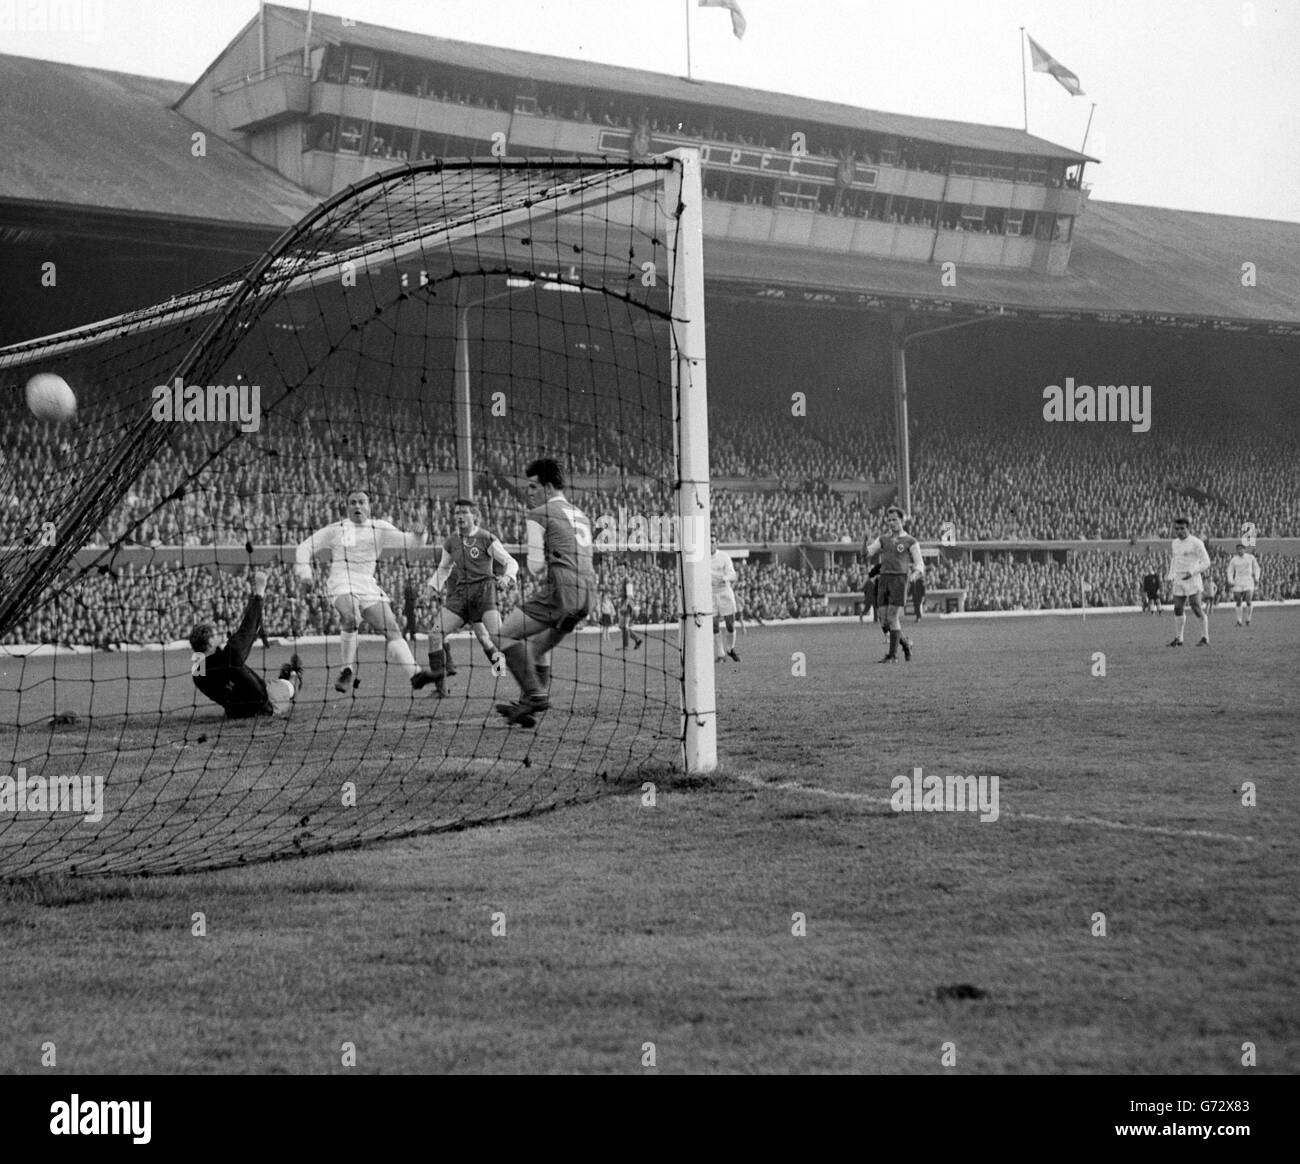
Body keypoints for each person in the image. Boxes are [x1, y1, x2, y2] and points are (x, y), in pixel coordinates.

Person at [295, 489, 432, 692]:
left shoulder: (380, 528)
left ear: (369, 506)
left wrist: (420, 534)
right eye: (352, 503)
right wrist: (305, 572)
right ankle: (346, 671)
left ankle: (415, 675)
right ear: (347, 507)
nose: (357, 506)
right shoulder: (336, 529)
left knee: (392, 627)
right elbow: (304, 547)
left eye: (361, 502)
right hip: (341, 582)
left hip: (367, 584)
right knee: (351, 616)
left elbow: (410, 543)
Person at [496, 458, 598, 727]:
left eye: (533, 486)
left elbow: (536, 566)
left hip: (563, 590)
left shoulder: (538, 514)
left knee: (505, 634)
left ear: (549, 487)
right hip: (588, 594)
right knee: (537, 648)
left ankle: (536, 695)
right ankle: (528, 706)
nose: (528, 492)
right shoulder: (581, 514)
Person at [422, 498, 518, 697]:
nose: (459, 516)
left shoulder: (486, 538)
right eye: (456, 512)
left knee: (493, 638)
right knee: (434, 634)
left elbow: (510, 562)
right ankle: (441, 690)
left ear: (475, 516)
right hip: (460, 596)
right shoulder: (451, 542)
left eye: (464, 512)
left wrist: (507, 578)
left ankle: (518, 673)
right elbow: (444, 568)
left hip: (484, 594)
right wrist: (433, 586)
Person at [190, 570, 302, 719]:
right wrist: (259, 593)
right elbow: (247, 630)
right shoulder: (228, 657)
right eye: (215, 635)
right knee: (289, 687)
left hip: (235, 712)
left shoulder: (197, 673)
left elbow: (202, 662)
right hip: (264, 705)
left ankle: (286, 676)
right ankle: (294, 675)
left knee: (267, 684)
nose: (219, 635)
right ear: (210, 641)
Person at [862, 506, 924, 662]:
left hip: (899, 579)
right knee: (883, 619)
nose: (891, 522)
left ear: (901, 520)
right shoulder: (883, 539)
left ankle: (892, 656)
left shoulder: (910, 541)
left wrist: (915, 575)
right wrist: (864, 541)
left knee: (892, 616)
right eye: (889, 520)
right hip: (884, 579)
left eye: (894, 519)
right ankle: (906, 643)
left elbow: (920, 565)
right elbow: (867, 553)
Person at [1166, 516, 1211, 647]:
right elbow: (1174, 560)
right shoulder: (1174, 543)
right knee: (1178, 607)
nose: (1179, 531)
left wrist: (1192, 572)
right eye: (1177, 529)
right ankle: (1179, 638)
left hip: (1192, 578)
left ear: (1188, 528)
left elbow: (1206, 562)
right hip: (1179, 578)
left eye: (1182, 528)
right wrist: (1170, 576)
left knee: (1195, 606)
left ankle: (1205, 637)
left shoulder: (1196, 543)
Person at [710, 535, 740, 663]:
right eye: (707, 542)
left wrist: (724, 578)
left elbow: (733, 574)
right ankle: (720, 654)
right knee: (713, 624)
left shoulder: (724, 556)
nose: (710, 544)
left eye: (712, 542)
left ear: (717, 543)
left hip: (724, 592)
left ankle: (730, 649)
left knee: (730, 624)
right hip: (710, 593)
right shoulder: (701, 558)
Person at [1226, 541, 1261, 628]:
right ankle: (1239, 621)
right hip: (1238, 581)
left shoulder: (1250, 557)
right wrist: (1230, 580)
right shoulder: (1234, 560)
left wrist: (1257, 578)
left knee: (1248, 600)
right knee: (1238, 600)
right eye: (1238, 549)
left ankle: (1248, 619)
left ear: (1244, 550)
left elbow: (1256, 568)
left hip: (1248, 580)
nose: (1239, 551)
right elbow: (1230, 571)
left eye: (1241, 549)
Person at [618, 569, 643, 651]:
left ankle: (626, 646)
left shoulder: (628, 580)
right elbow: (623, 594)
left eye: (621, 569)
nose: (619, 571)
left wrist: (625, 605)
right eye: (619, 569)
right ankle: (637, 640)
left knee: (624, 626)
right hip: (624, 604)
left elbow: (629, 595)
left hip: (628, 605)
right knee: (622, 626)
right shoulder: (623, 580)